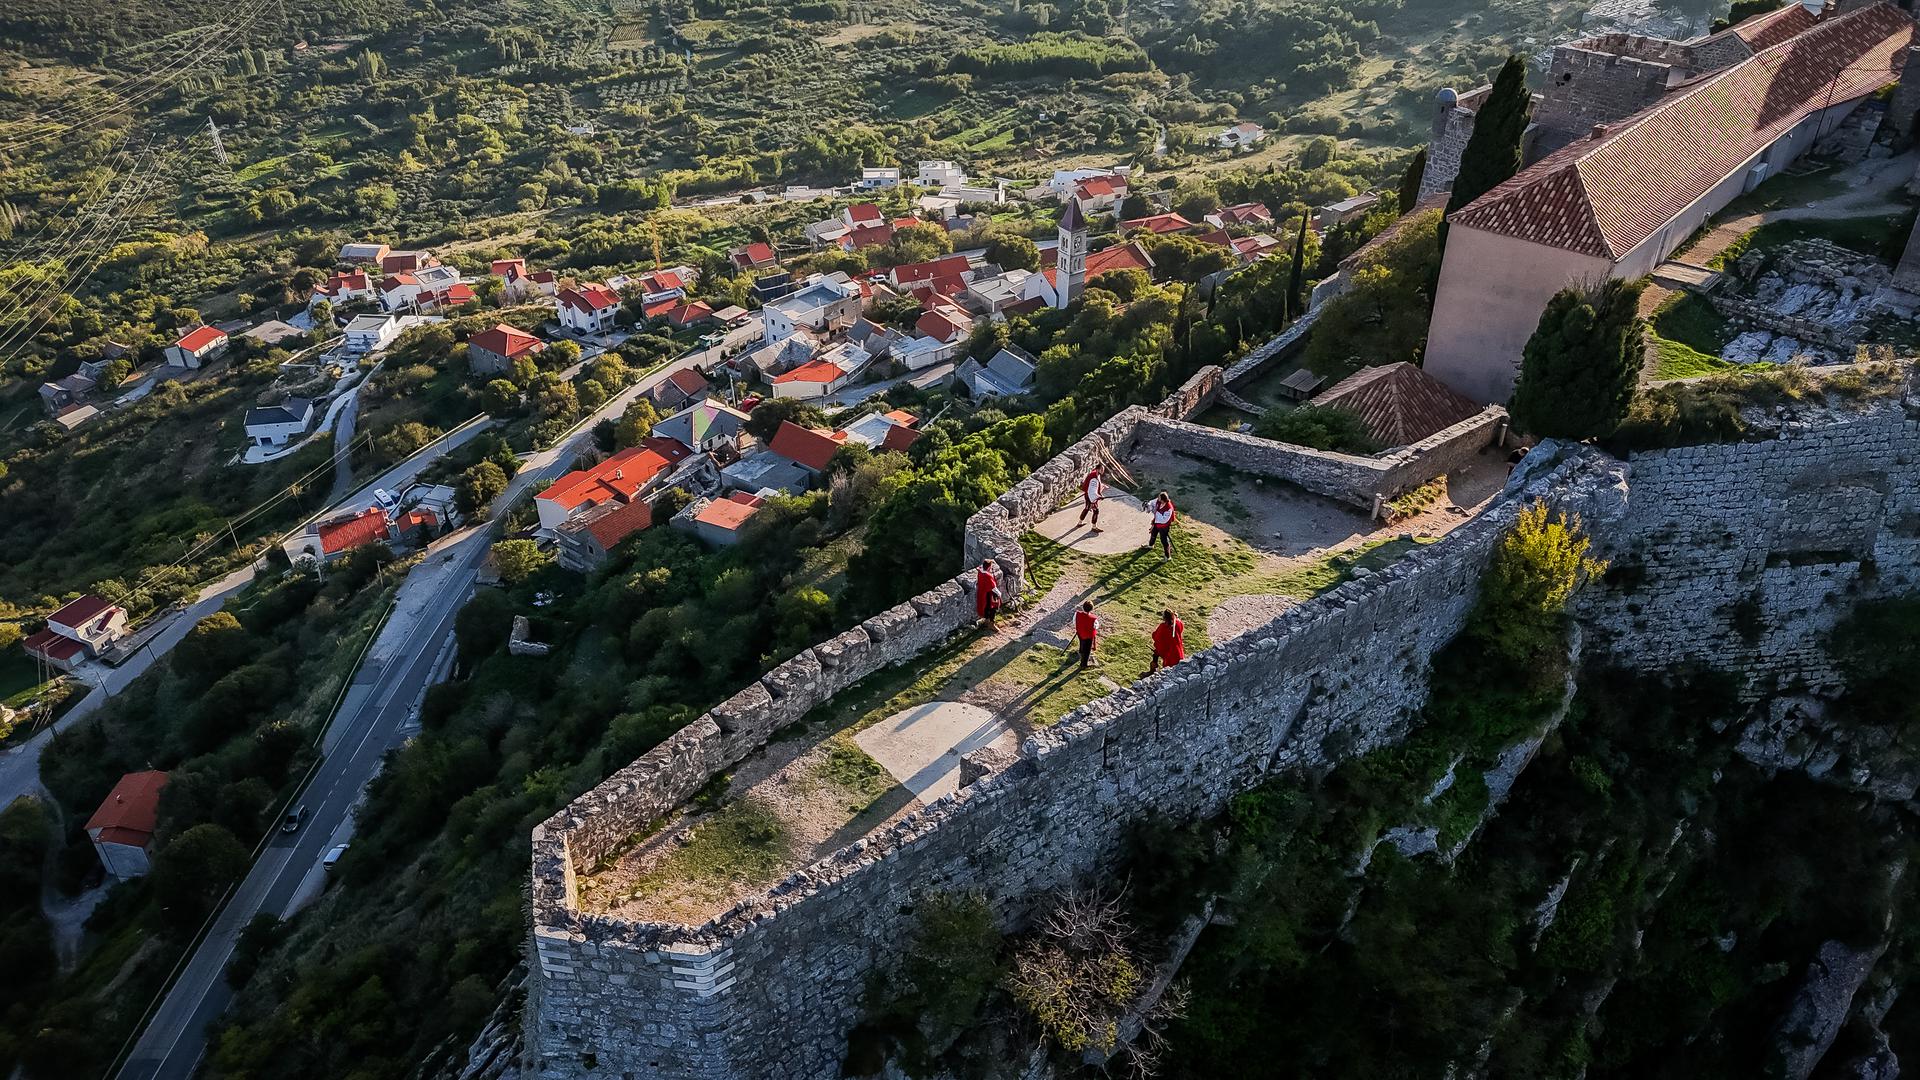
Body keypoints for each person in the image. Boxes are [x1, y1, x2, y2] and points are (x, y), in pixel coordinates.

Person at [1148, 608, 1185, 674]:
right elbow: (1181, 627)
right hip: (1179, 652)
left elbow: (1155, 636)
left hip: (1170, 654)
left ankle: (1152, 671)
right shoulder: (1178, 623)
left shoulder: (1163, 627)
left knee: (1168, 672)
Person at [1146, 491, 1176, 561]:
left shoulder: (1169, 508)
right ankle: (1151, 546)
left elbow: (1164, 520)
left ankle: (1167, 556)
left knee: (1164, 541)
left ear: (1163, 499)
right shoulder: (1159, 501)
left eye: (1159, 497)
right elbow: (1152, 502)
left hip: (1164, 526)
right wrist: (1149, 505)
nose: (1158, 498)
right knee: (1153, 533)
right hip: (1157, 522)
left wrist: (1156, 512)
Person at [975, 559, 1002, 631]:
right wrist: (999, 593)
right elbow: (992, 586)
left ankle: (987, 620)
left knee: (986, 607)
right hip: (989, 594)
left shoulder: (980, 571)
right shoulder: (987, 576)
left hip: (982, 592)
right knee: (993, 608)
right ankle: (991, 623)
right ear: (989, 567)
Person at [1077, 466, 1106, 532]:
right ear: (1098, 469)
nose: (1103, 471)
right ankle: (1094, 527)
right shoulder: (1094, 477)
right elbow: (1092, 491)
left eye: (1103, 469)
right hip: (1090, 496)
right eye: (1101, 469)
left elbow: (1093, 487)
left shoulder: (1095, 474)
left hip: (1088, 495)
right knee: (1096, 511)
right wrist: (1099, 497)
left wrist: (1102, 487)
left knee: (1087, 508)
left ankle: (1079, 523)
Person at [1074, 600, 1099, 669]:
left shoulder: (1077, 614)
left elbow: (1074, 622)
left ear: (1083, 607)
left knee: (1081, 642)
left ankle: (1081, 651)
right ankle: (1084, 664)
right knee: (1087, 650)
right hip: (1089, 636)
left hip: (1080, 632)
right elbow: (1096, 626)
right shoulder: (1093, 618)